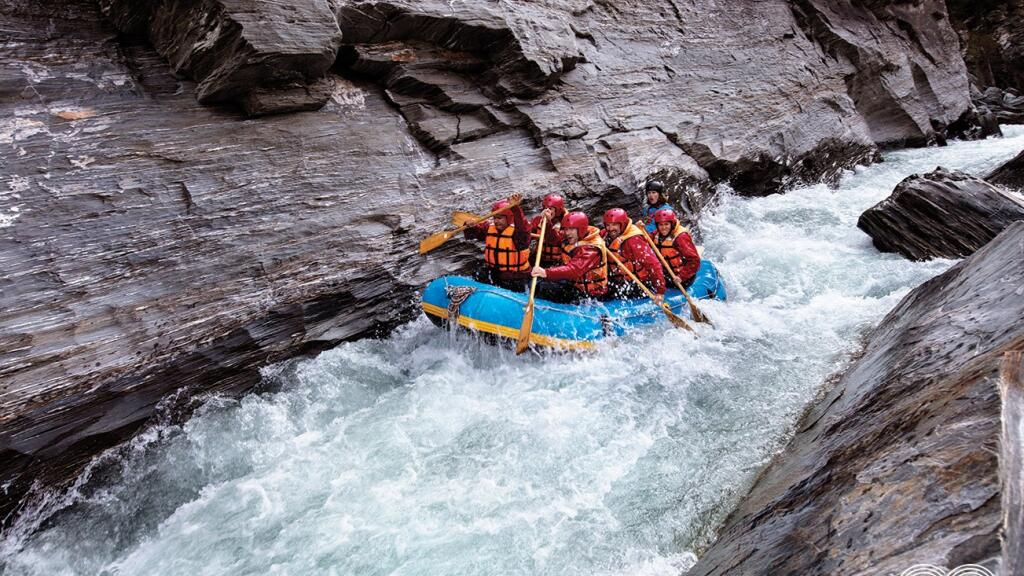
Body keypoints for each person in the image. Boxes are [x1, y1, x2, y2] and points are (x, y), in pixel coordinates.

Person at [530, 212, 607, 303]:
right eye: (566, 229)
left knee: (544, 288)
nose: (567, 232)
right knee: (537, 283)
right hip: (574, 284)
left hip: (590, 294)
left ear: (581, 229)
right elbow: (554, 240)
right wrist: (547, 223)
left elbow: (574, 270)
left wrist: (546, 272)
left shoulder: (591, 249)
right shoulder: (574, 236)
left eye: (571, 229)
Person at [464, 194, 531, 291]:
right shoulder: (489, 228)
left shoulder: (518, 234)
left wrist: (515, 208)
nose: (496, 221)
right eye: (495, 217)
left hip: (515, 277)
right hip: (495, 273)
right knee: (479, 271)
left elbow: (523, 228)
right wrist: (470, 226)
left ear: (509, 218)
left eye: (500, 218)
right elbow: (474, 233)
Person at [601, 208, 666, 300]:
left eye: (614, 224)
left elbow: (653, 264)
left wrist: (660, 291)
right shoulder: (607, 234)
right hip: (620, 281)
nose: (610, 228)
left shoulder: (634, 240)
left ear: (622, 224)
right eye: (607, 225)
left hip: (639, 284)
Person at [652, 208, 700, 286]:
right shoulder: (656, 234)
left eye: (666, 224)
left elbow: (694, 260)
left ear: (672, 224)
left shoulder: (681, 237)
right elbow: (645, 240)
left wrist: (681, 277)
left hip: (683, 276)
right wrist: (641, 229)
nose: (663, 227)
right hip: (667, 272)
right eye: (661, 224)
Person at [530, 193, 567, 268]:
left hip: (557, 262)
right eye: (545, 208)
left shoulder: (566, 223)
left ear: (558, 210)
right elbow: (527, 233)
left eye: (550, 208)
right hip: (540, 259)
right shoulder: (538, 220)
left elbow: (555, 240)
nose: (547, 211)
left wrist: (548, 223)